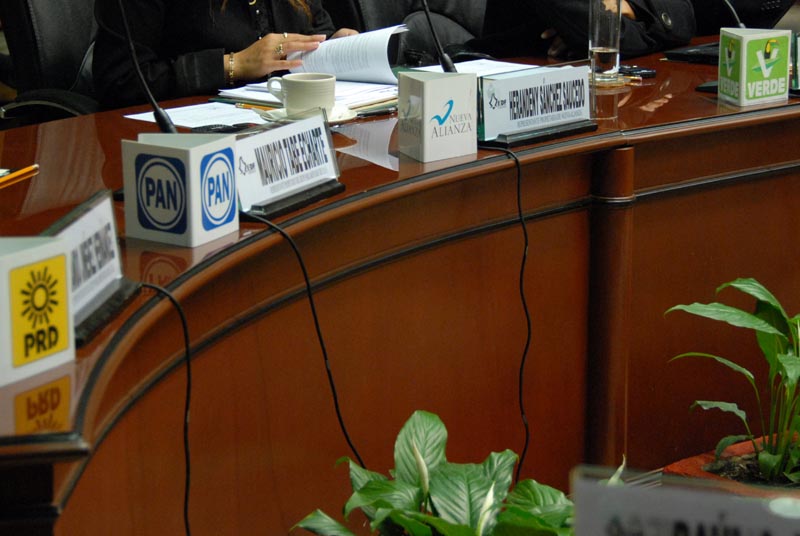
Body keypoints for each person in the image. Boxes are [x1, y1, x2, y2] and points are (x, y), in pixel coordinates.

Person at [93, 0, 357, 109]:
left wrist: (334, 46)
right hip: (188, 140)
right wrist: (234, 65)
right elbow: (120, 80)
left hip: (286, 127)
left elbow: (315, 31)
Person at [466, 0, 697, 60]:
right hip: (522, 90)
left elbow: (684, 14)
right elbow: (600, 34)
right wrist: (653, 24)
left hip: (602, 83)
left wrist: (630, 7)